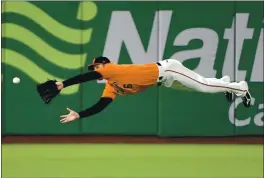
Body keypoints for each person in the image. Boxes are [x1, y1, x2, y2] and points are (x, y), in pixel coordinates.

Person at [58, 57, 252, 123]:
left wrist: (63, 85)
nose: (96, 69)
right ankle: (224, 82)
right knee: (201, 88)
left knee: (203, 86)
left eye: (97, 66)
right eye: (95, 67)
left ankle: (240, 88)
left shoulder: (111, 68)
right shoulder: (111, 85)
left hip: (168, 70)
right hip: (164, 80)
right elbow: (101, 105)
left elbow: (88, 77)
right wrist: (80, 115)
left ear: (105, 64)